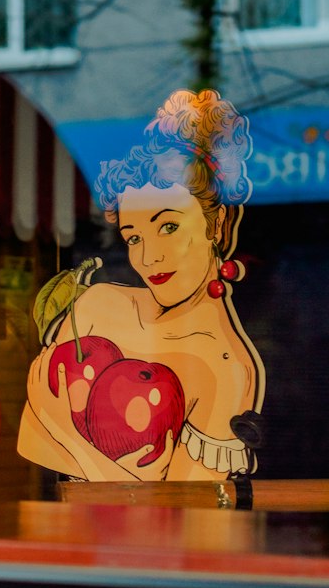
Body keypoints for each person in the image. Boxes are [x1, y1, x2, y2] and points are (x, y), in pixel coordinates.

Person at [18, 88, 265, 481]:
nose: (148, 258)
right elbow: (30, 445)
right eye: (133, 237)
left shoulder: (225, 369)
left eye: (168, 226)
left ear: (215, 224)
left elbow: (182, 514)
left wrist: (65, 433)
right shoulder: (97, 306)